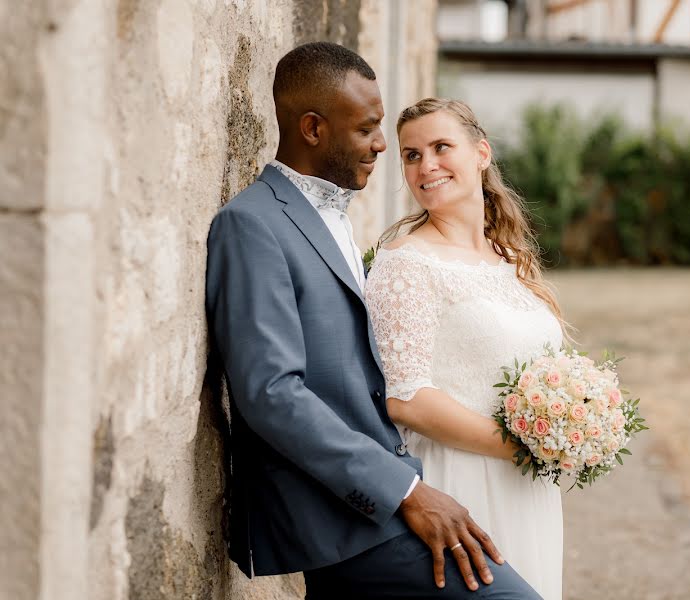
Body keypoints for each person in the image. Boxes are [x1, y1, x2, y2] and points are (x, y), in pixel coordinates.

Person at [205, 43, 542, 599]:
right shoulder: (251, 224)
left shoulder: (332, 215)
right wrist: (407, 490)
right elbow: (270, 393)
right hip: (344, 514)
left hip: (377, 499)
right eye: (367, 129)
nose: (383, 145)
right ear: (313, 129)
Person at [365, 98, 565, 600]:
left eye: (440, 147)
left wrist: (571, 423)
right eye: (411, 155)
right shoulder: (406, 264)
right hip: (462, 480)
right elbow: (405, 397)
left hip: (528, 485)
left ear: (481, 153)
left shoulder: (508, 258)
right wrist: (523, 447)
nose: (426, 165)